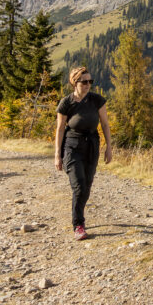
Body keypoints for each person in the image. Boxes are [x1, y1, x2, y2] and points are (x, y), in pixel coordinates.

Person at [55, 66, 113, 240]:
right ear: (75, 82)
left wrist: (109, 146)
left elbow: (104, 124)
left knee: (87, 184)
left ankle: (78, 213)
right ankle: (78, 224)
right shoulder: (66, 103)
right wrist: (57, 155)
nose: (88, 85)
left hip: (92, 144)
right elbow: (59, 129)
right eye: (84, 81)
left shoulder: (97, 100)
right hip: (72, 145)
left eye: (90, 81)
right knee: (79, 185)